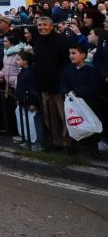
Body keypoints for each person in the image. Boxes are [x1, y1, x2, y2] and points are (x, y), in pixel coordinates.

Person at [32, 16, 70, 149]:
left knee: (64, 116)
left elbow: (66, 62)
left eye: (44, 25)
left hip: (59, 86)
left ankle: (67, 143)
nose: (41, 28)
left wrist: (63, 82)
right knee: (49, 117)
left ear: (51, 26)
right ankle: (56, 142)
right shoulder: (38, 41)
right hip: (44, 86)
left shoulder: (62, 40)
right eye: (39, 25)